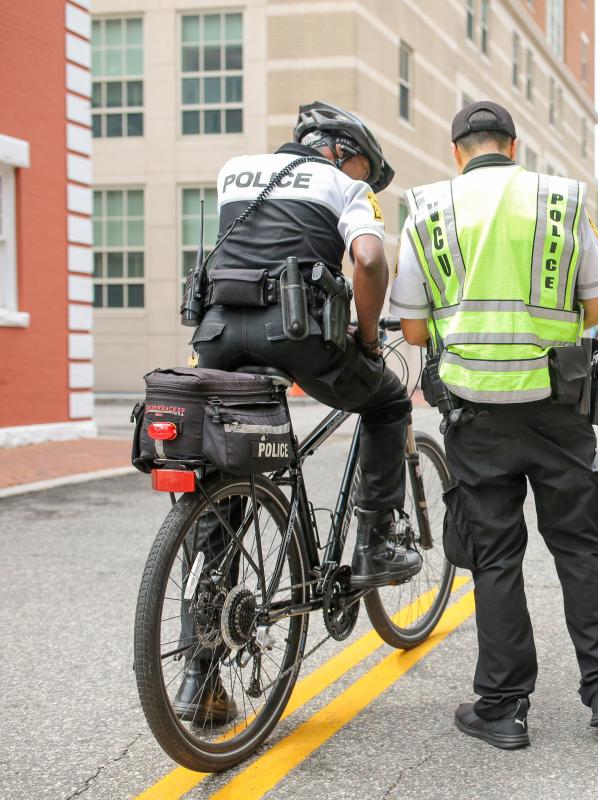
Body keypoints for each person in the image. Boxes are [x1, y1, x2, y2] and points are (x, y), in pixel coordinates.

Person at [391, 101, 598, 749]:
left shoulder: (429, 209)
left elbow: (413, 328)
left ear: (457, 151)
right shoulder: (560, 202)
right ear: (514, 145)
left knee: (495, 558)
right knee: (581, 546)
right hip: (558, 405)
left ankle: (503, 708)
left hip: (474, 412)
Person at [177, 101, 419, 724]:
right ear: (342, 150)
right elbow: (368, 260)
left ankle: (200, 683)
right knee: (388, 399)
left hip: (219, 335)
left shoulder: (236, 169)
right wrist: (368, 340)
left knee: (220, 488)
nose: (368, 177)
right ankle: (375, 544)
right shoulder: (345, 184)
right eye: (367, 165)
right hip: (297, 335)